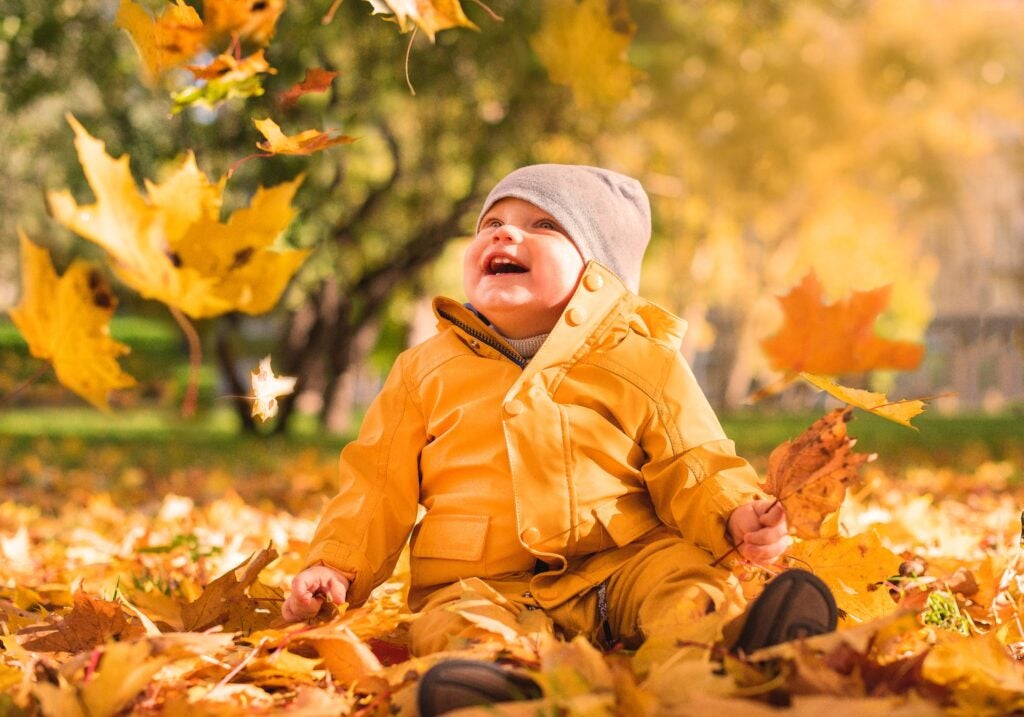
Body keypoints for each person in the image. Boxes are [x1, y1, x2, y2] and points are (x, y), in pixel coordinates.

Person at [282, 164, 837, 714]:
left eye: (544, 224)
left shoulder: (641, 362)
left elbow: (693, 459)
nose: (504, 232)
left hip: (625, 561)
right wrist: (336, 564)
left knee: (686, 585)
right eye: (491, 222)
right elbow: (377, 486)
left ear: (599, 271)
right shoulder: (423, 371)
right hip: (482, 580)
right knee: (454, 623)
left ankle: (725, 657)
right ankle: (501, 684)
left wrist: (735, 512)